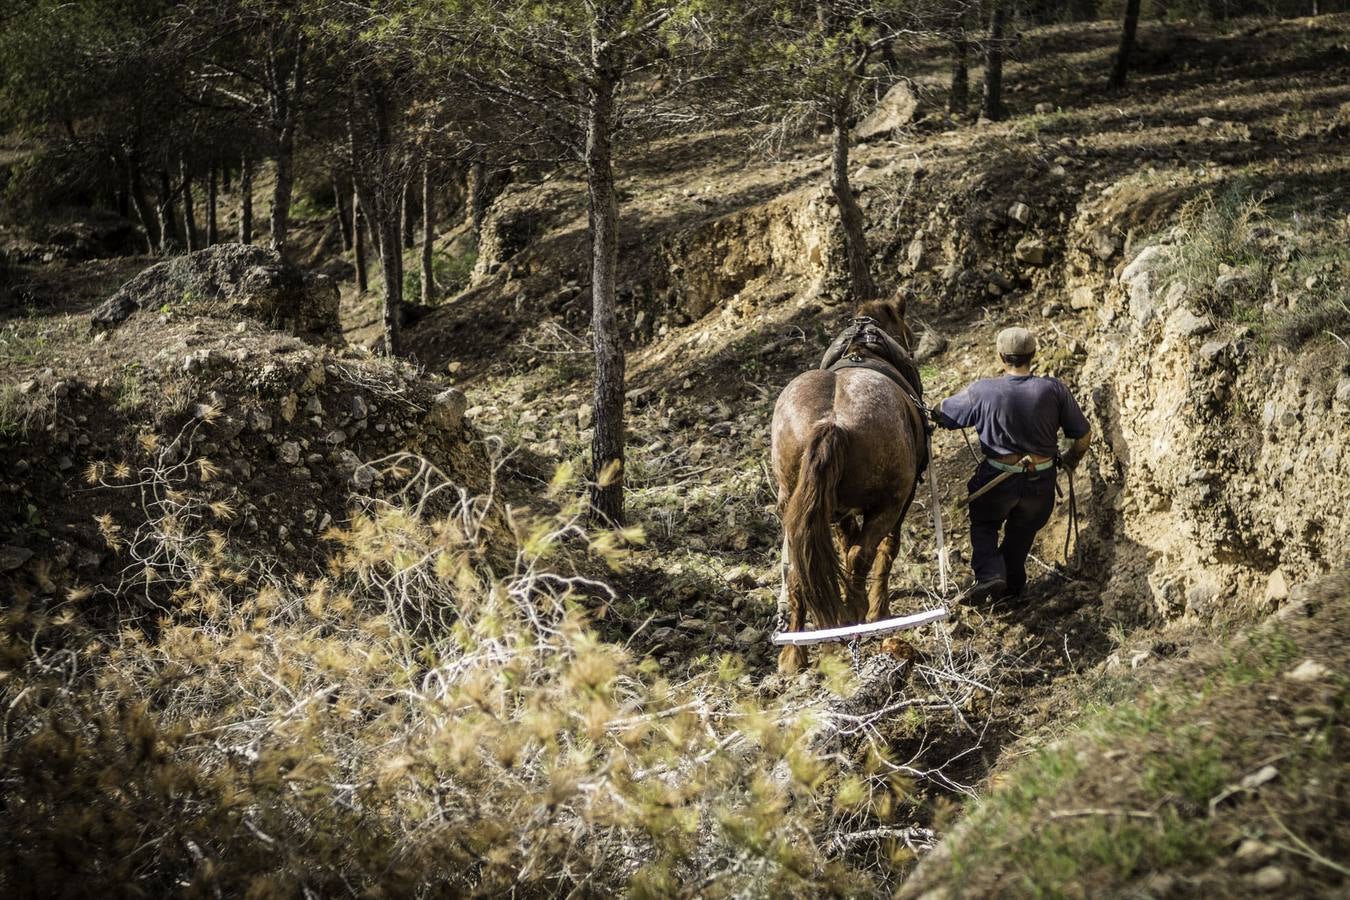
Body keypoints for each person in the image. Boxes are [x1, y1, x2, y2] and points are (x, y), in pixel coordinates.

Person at [931, 327, 1091, 602]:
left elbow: (943, 414)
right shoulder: (1053, 389)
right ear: (1033, 355)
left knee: (984, 524)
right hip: (1041, 483)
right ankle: (1012, 587)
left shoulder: (982, 390)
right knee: (1022, 531)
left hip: (998, 480)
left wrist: (935, 410)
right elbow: (1083, 435)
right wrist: (1070, 460)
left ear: (1001, 356)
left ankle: (991, 574)